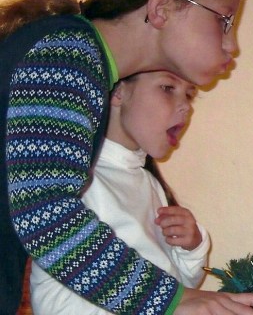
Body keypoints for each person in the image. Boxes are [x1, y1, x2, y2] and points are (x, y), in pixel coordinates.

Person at [0, 0, 253, 315]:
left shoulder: (80, 59)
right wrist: (172, 299)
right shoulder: (69, 53)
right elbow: (46, 214)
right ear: (162, 7)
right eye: (224, 20)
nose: (232, 46)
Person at [30, 70, 208, 314]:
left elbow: (181, 291)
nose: (186, 107)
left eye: (189, 95)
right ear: (118, 92)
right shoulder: (74, 183)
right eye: (168, 88)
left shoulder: (149, 183)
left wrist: (191, 248)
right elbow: (58, 304)